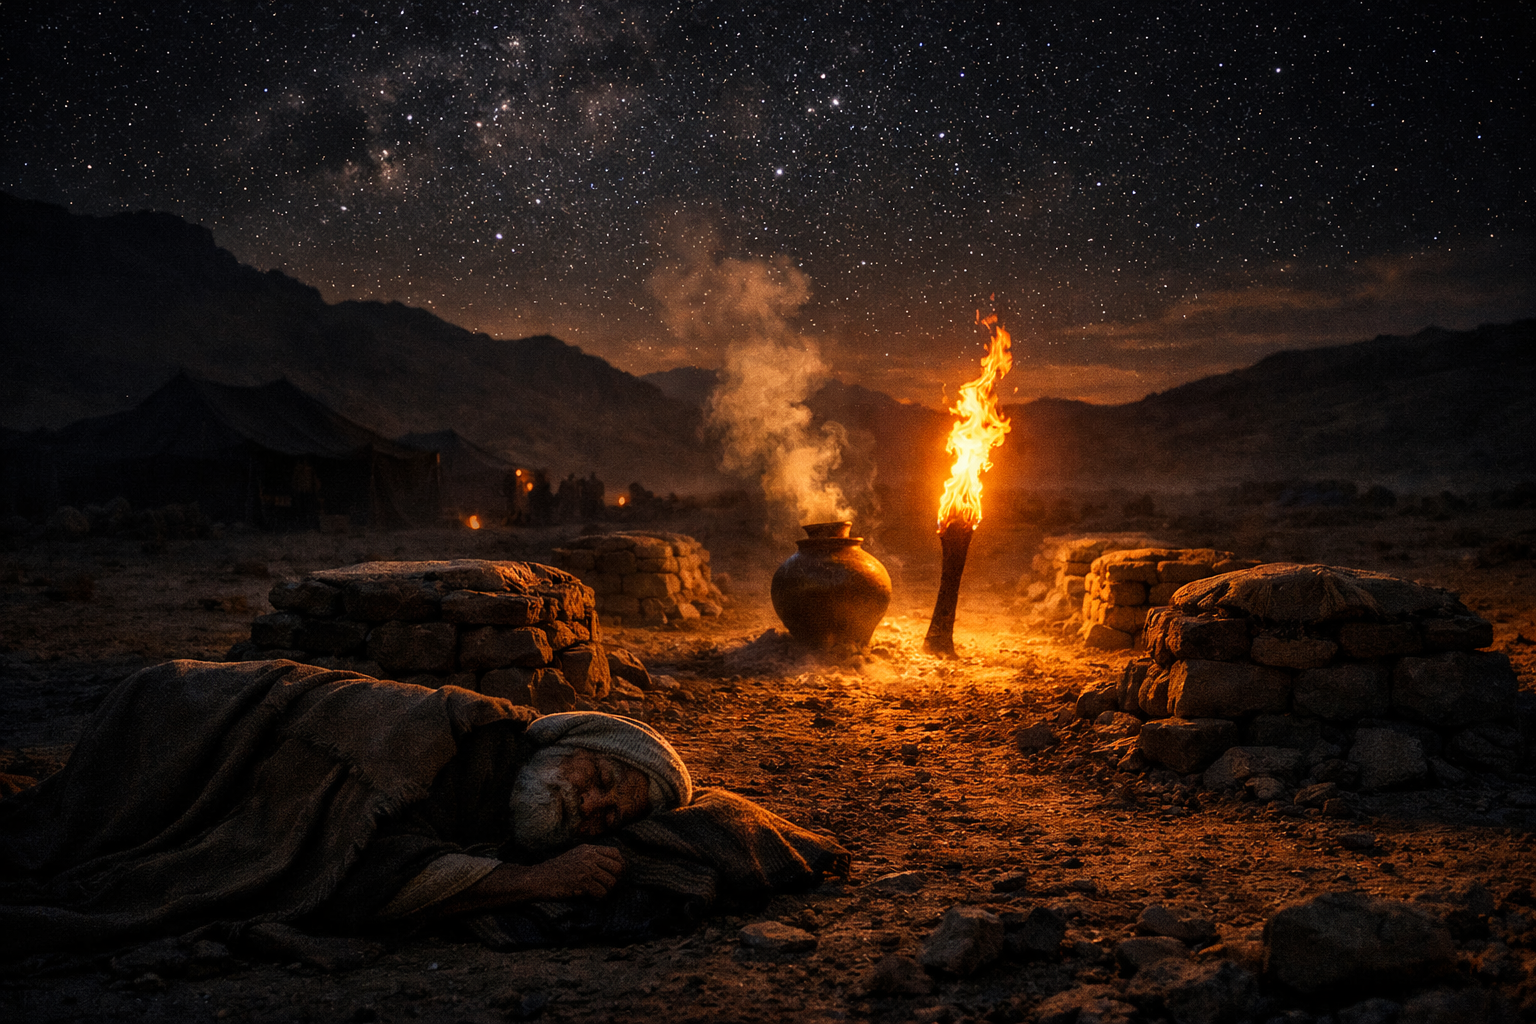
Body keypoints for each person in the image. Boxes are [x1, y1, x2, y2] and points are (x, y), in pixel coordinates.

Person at [0, 660, 845, 957]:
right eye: (597, 782)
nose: (588, 810)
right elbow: (364, 870)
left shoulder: (498, 804)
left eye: (604, 819)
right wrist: (535, 882)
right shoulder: (458, 741)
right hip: (184, 714)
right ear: (564, 744)